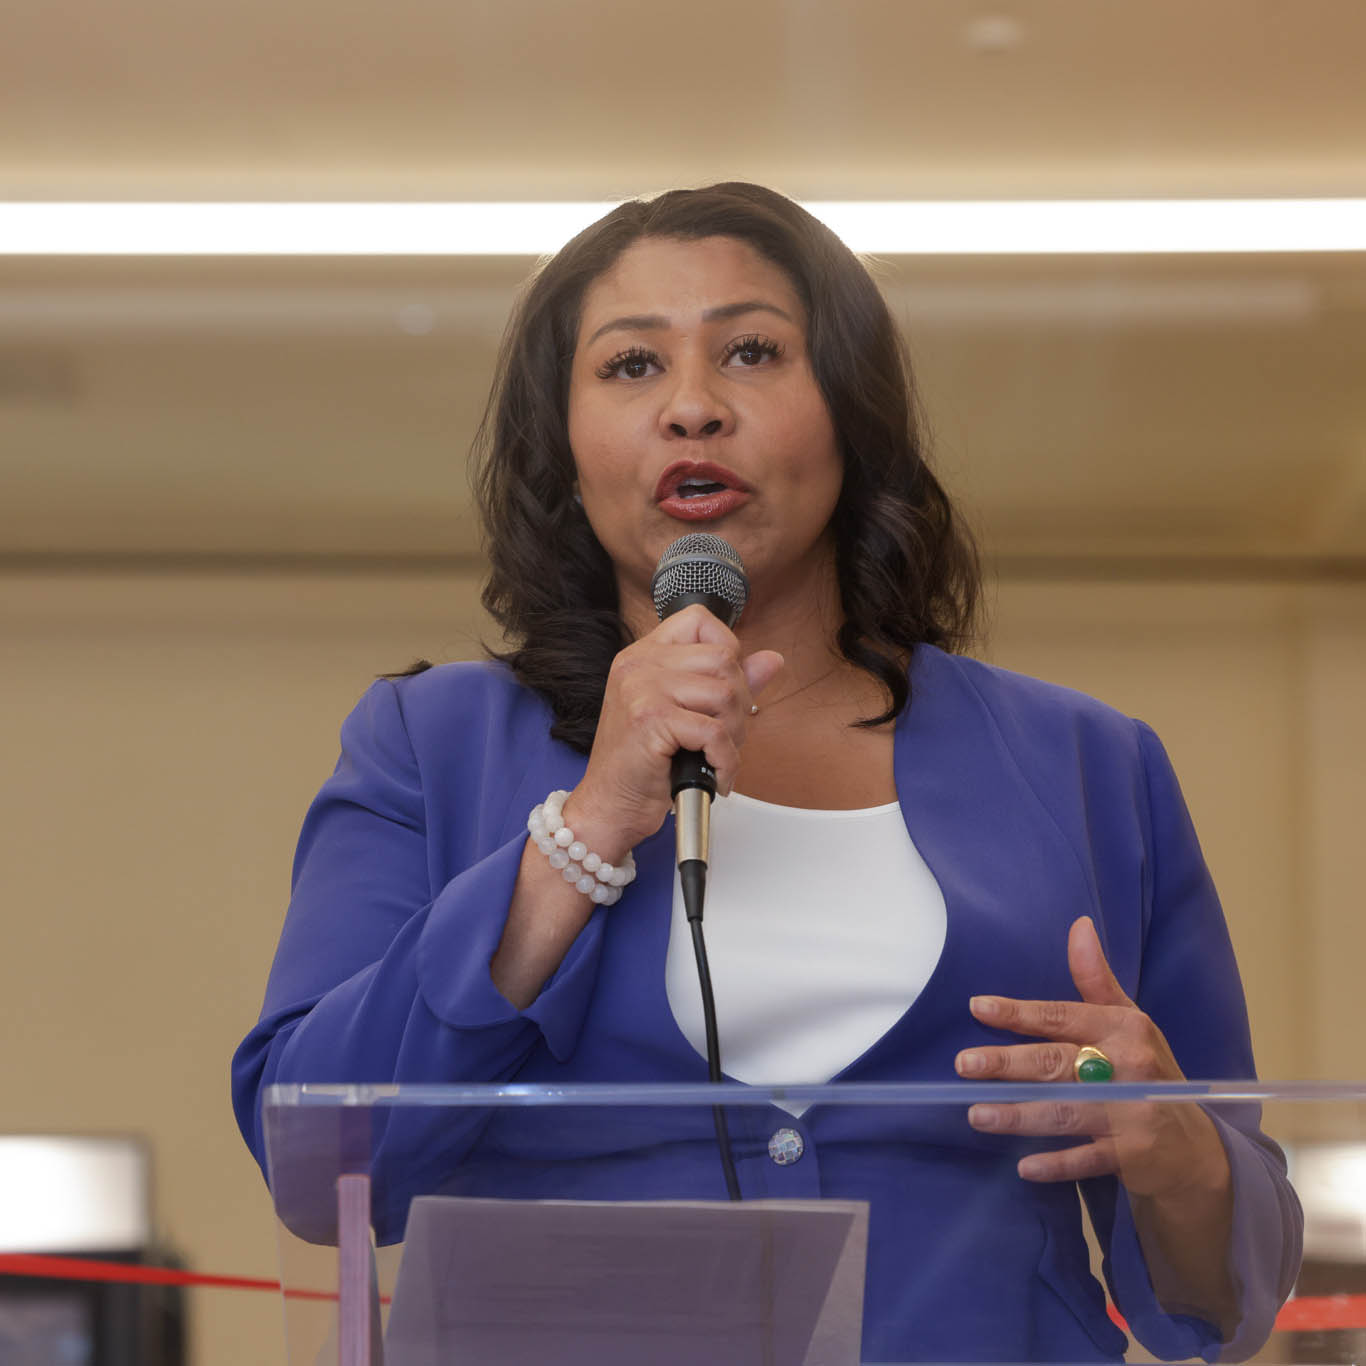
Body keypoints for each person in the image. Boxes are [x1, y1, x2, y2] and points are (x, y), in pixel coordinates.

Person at [232, 182, 1300, 1362]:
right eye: (630, 367)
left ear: (850, 412)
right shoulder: (428, 745)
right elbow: (316, 1161)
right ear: (566, 446)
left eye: (750, 351)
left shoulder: (1090, 764)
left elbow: (1220, 1300)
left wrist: (1184, 1155)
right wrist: (581, 834)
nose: (692, 407)